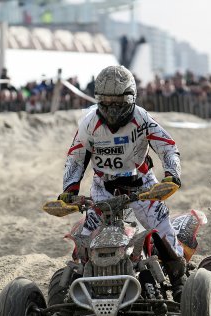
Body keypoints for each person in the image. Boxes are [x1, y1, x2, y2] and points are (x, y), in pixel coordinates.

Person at [59, 65, 186, 301]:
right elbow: (76, 158)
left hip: (142, 186)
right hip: (103, 189)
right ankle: (77, 288)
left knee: (164, 233)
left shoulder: (142, 119)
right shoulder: (88, 123)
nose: (111, 107)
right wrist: (69, 189)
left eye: (117, 101)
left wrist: (172, 175)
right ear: (98, 99)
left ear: (130, 97)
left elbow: (168, 147)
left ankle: (180, 282)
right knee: (85, 241)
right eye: (106, 101)